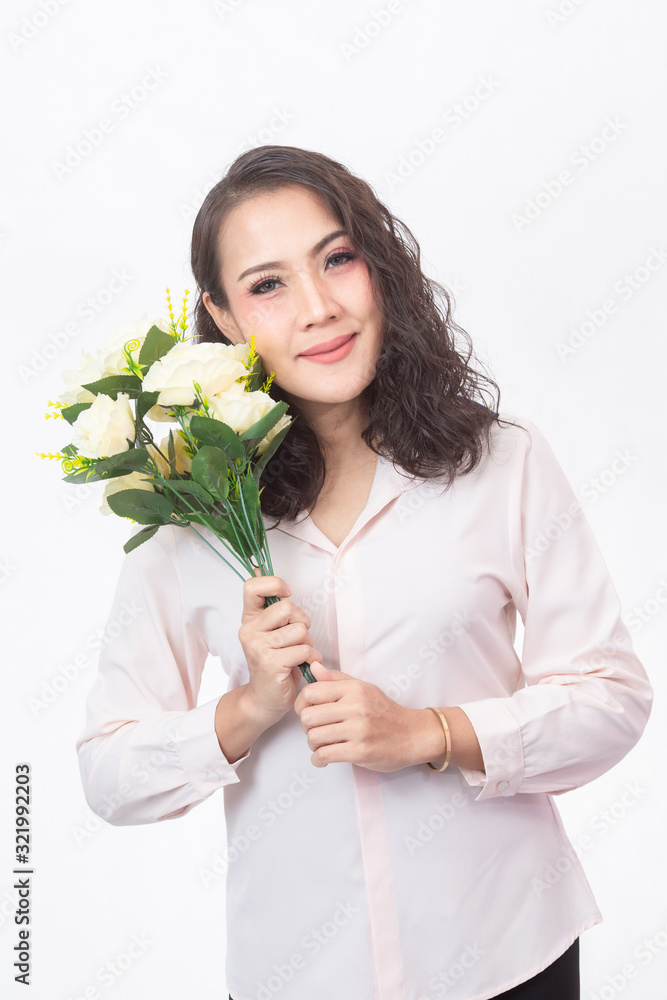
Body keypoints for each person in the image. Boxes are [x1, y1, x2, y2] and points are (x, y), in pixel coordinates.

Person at [76, 145, 653, 1000]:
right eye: (267, 285)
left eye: (337, 258)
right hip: (296, 972)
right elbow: (108, 774)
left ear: (379, 266)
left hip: (504, 950)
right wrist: (248, 709)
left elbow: (611, 699)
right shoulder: (190, 514)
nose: (318, 308)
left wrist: (429, 733)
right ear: (223, 318)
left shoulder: (502, 463)